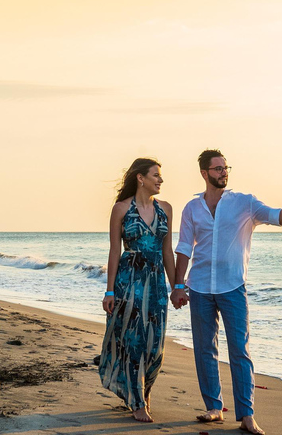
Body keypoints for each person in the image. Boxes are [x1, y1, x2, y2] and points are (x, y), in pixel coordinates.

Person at [170, 149, 282, 435]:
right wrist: (178, 286)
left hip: (232, 287)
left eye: (226, 168)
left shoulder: (244, 203)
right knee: (204, 350)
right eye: (217, 169)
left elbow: (280, 217)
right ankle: (214, 408)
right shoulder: (192, 208)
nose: (223, 173)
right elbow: (184, 248)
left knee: (239, 350)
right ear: (204, 173)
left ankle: (246, 415)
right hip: (200, 287)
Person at [99, 158, 175, 423]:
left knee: (155, 347)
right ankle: (138, 401)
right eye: (156, 175)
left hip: (155, 285)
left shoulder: (166, 209)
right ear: (140, 178)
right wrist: (109, 292)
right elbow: (114, 250)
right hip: (129, 283)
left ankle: (143, 392)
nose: (161, 180)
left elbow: (167, 251)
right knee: (133, 342)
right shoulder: (121, 209)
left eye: (161, 176)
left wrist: (176, 286)